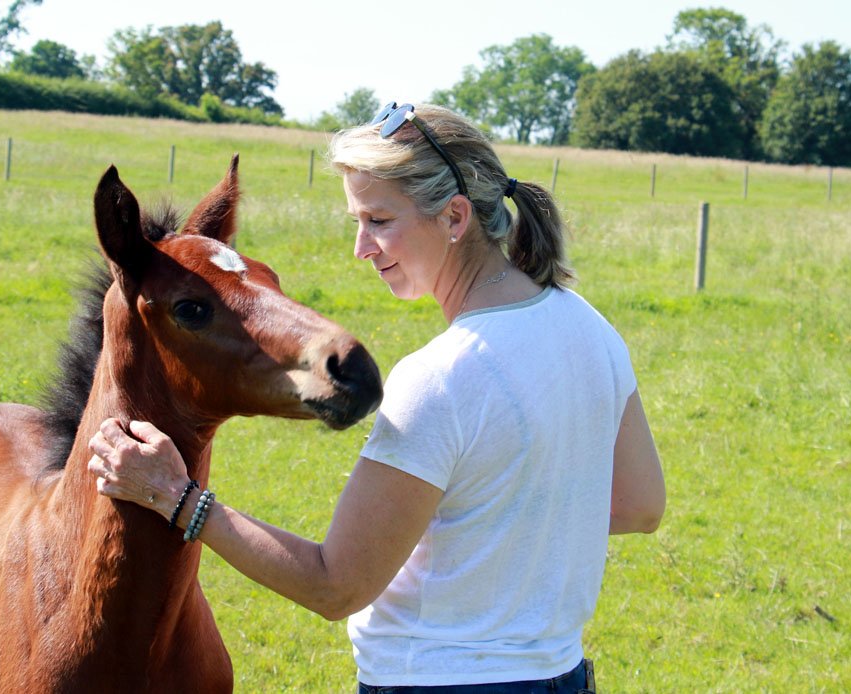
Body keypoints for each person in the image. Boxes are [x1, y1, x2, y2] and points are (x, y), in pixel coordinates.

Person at [88, 102, 665, 693]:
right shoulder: (589, 326)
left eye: (379, 220)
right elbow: (641, 505)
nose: (361, 247)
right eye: (357, 221)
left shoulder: (440, 377)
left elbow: (334, 585)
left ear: (455, 216)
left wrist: (177, 497)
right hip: (563, 676)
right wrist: (490, 527)